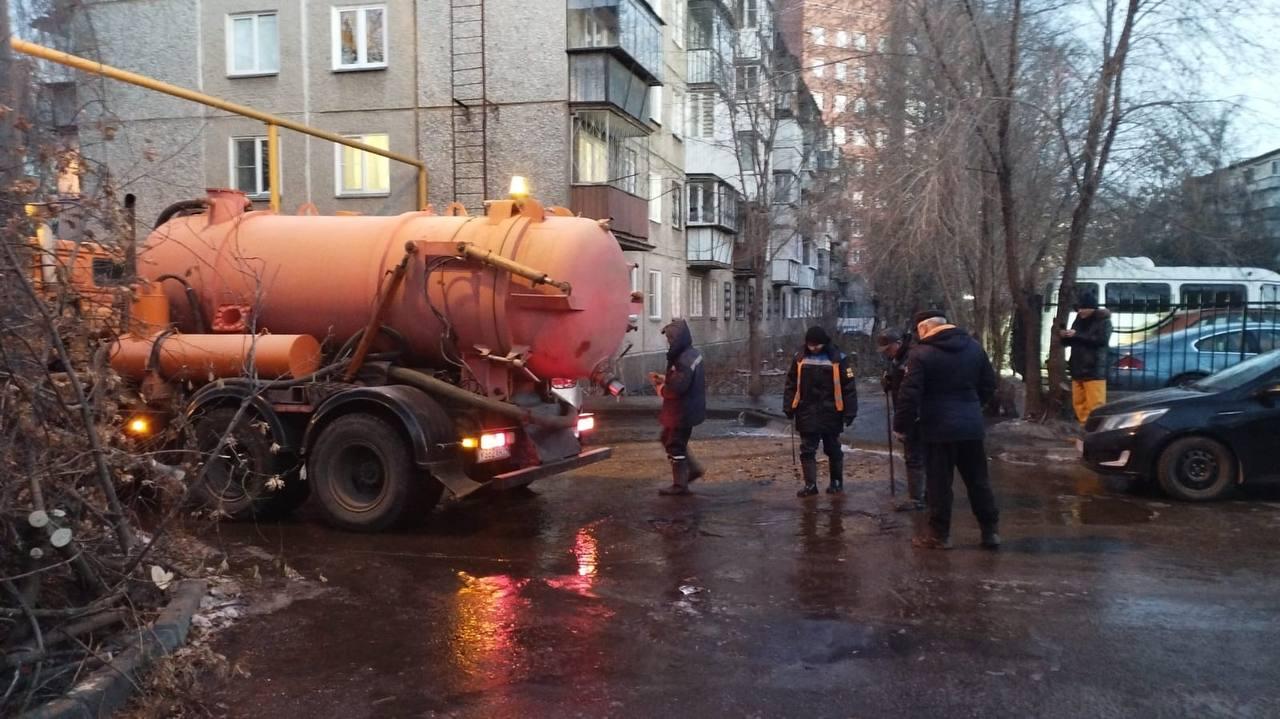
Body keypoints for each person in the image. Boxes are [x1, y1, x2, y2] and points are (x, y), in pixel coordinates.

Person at [894, 311, 1000, 550]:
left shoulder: (920, 354)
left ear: (924, 329)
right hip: (971, 427)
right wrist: (972, 407)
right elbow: (989, 385)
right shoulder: (974, 347)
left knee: (939, 484)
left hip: (937, 427)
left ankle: (939, 535)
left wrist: (902, 425)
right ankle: (990, 531)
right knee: (978, 481)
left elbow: (909, 394)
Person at [783, 326, 858, 497]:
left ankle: (836, 482)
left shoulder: (839, 359)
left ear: (824, 343)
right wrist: (788, 407)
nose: (813, 348)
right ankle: (810, 485)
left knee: (833, 448)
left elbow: (849, 388)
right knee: (807, 449)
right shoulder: (800, 358)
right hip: (806, 411)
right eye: (811, 344)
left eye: (817, 345)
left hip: (832, 411)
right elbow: (791, 384)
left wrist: (850, 411)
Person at [650, 319, 707, 496]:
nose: (668, 342)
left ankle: (680, 485)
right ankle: (692, 469)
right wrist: (664, 378)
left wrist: (660, 388)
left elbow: (677, 388)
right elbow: (682, 380)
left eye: (669, 338)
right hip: (689, 408)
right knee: (668, 438)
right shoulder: (692, 354)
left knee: (675, 445)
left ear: (677, 339)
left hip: (681, 412)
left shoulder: (682, 359)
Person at [877, 331, 926, 511]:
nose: (886, 353)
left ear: (897, 343)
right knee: (916, 455)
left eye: (888, 348)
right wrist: (890, 381)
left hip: (916, 414)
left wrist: (902, 422)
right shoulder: (899, 358)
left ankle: (918, 498)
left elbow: (911, 391)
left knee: (915, 456)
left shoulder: (911, 357)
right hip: (909, 412)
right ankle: (923, 495)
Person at [1059, 292, 1112, 426]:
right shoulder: (1079, 320)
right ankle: (1084, 429)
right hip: (1077, 367)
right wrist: (1065, 337)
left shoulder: (1103, 321)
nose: (1080, 311)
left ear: (1092, 308)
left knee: (1096, 405)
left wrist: (1077, 335)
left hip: (1094, 369)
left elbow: (1101, 340)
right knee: (1079, 403)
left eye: (1084, 308)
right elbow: (1074, 341)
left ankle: (1095, 431)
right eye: (1079, 308)